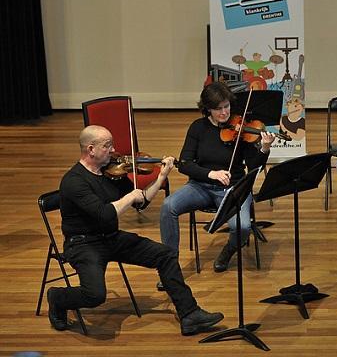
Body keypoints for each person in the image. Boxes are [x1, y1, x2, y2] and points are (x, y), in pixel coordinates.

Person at [48, 125, 224, 335]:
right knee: (95, 295)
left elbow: (141, 202)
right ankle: (57, 297)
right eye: (107, 146)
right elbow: (105, 214)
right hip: (83, 243)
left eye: (112, 144)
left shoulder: (111, 173)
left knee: (165, 255)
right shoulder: (74, 181)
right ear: (90, 149)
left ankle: (189, 314)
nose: (113, 150)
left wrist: (161, 177)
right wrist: (129, 197)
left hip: (111, 238)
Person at [159, 82, 275, 275]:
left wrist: (264, 148)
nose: (224, 112)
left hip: (234, 188)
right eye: (218, 109)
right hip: (201, 186)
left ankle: (228, 250)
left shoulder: (241, 129)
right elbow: (185, 164)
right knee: (168, 206)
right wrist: (210, 174)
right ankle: (169, 266)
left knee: (243, 227)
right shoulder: (198, 128)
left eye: (227, 106)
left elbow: (254, 166)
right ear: (207, 110)